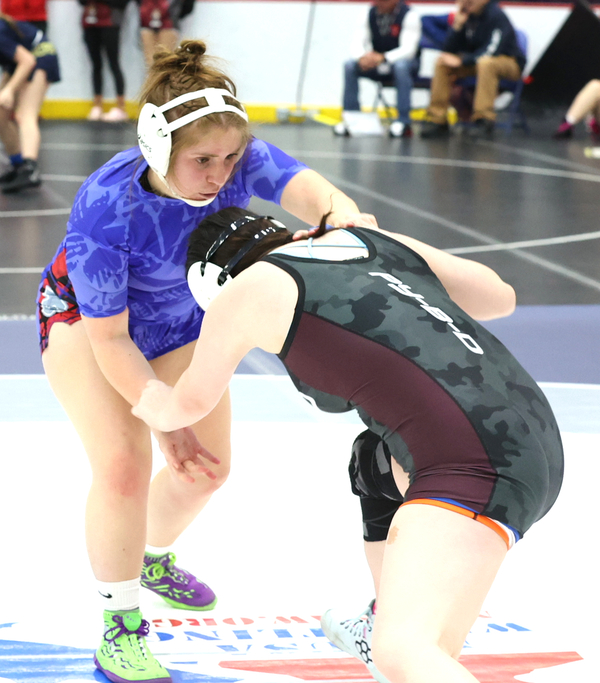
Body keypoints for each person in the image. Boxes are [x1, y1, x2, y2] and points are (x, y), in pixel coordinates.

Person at [36, 39, 378, 683]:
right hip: (88, 323)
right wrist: (162, 416)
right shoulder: (107, 208)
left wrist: (346, 222)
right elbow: (112, 341)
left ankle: (150, 557)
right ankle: (120, 624)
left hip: (177, 319)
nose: (220, 175)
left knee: (205, 470)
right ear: (156, 146)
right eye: (202, 161)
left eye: (229, 158)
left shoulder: (235, 157)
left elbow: (321, 196)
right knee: (124, 467)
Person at [131, 206, 563, 683]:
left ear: (211, 283)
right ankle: (382, 617)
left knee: (403, 651)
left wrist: (151, 402)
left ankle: (389, 639)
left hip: (471, 463)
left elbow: (189, 404)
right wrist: (391, 244)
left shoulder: (246, 290)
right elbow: (500, 297)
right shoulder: (362, 241)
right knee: (370, 462)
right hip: (536, 438)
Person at [420, 0, 525, 140]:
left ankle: (484, 119)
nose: (467, 2)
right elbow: (449, 51)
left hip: (508, 62)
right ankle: (438, 119)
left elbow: (492, 50)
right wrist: (457, 27)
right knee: (443, 63)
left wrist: (462, 61)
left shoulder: (496, 15)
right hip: (478, 62)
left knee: (486, 63)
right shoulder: (467, 17)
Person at [333, 0, 421, 139]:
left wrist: (384, 57)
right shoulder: (368, 13)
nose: (380, 3)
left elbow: (408, 50)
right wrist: (362, 58)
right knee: (349, 66)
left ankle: (403, 120)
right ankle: (351, 118)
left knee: (401, 67)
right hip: (376, 62)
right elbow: (357, 41)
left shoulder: (409, 15)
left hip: (402, 63)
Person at [0, 12, 60, 193]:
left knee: (25, 114)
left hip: (39, 57)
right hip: (20, 62)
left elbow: (27, 61)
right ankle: (18, 164)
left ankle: (30, 168)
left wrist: (9, 90)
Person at [79, 0, 130, 122]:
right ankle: (97, 104)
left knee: (114, 64)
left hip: (110, 23)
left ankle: (121, 106)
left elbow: (122, 3)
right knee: (96, 65)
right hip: (90, 23)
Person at [137, 0, 195, 69]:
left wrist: (175, 15)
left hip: (169, 23)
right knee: (151, 61)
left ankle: (162, 74)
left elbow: (188, 7)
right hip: (148, 22)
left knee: (165, 59)